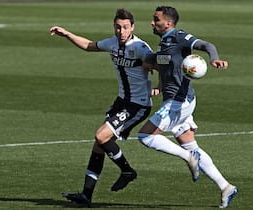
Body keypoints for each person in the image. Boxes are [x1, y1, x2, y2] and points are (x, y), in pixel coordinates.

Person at [50, 8, 199, 208]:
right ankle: (86, 195)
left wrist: (159, 87)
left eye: (125, 27)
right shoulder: (112, 42)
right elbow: (88, 45)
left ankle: (127, 171)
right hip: (121, 102)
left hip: (137, 105)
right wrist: (67, 34)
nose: (121, 31)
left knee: (101, 136)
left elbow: (163, 66)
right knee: (99, 145)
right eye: (118, 27)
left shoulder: (140, 47)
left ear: (132, 28)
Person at [137, 6, 238, 208]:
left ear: (168, 23)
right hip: (175, 101)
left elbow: (207, 45)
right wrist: (149, 65)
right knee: (191, 145)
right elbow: (161, 61)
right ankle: (226, 187)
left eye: (155, 19)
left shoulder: (179, 37)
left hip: (179, 102)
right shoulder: (164, 43)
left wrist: (214, 58)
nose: (152, 22)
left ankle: (187, 158)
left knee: (146, 136)